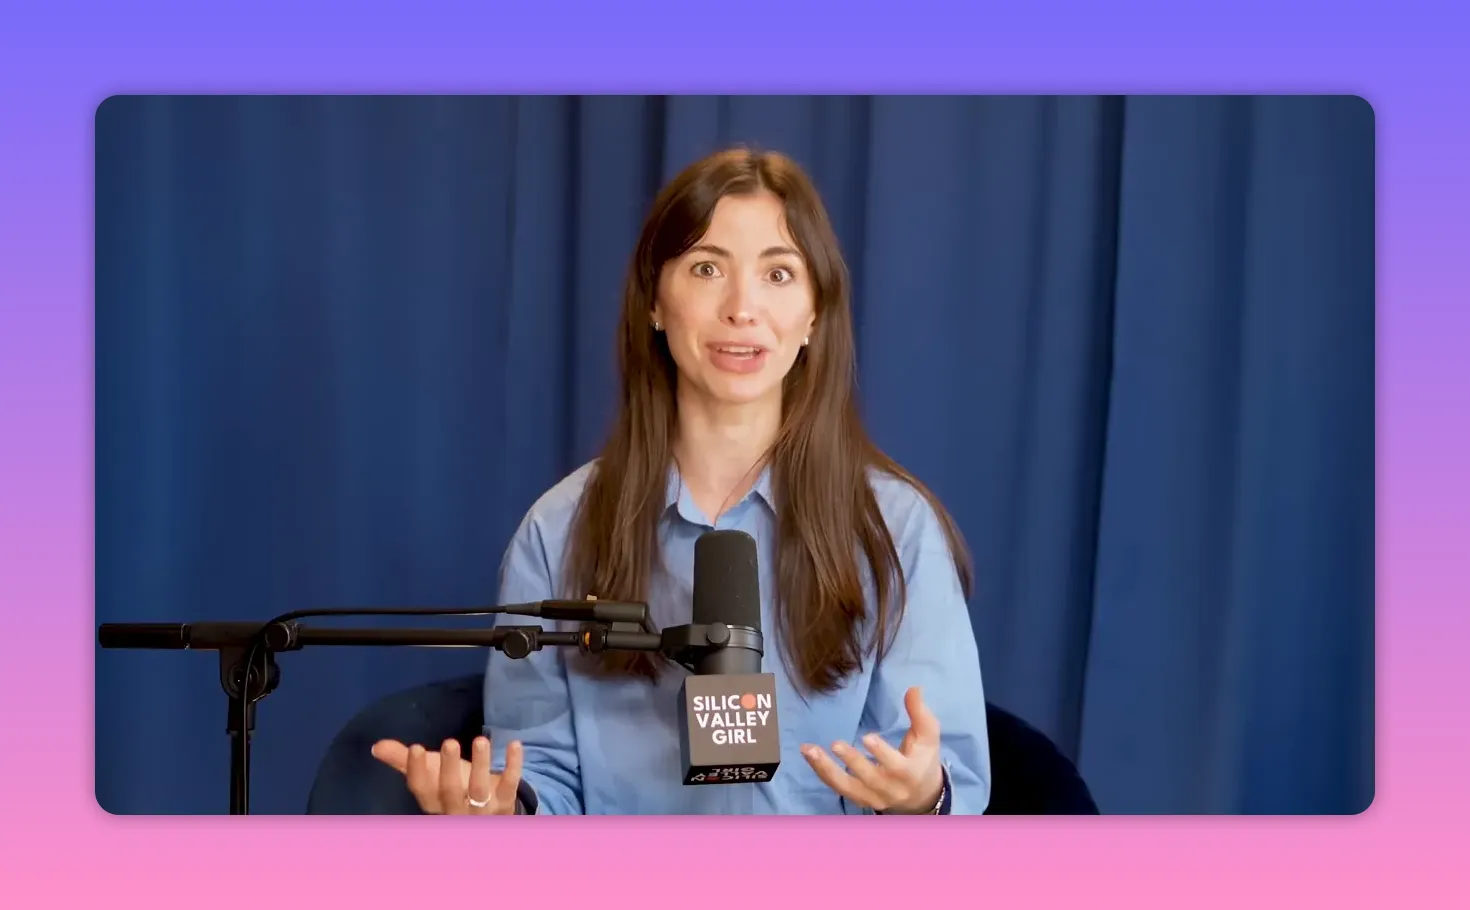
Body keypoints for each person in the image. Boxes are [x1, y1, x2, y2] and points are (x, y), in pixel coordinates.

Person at [371, 147, 991, 815]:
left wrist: (921, 795)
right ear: (655, 303)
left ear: (815, 314)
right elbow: (537, 771)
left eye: (779, 274)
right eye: (705, 269)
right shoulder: (558, 531)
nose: (742, 308)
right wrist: (498, 812)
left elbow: (950, 773)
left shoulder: (894, 530)